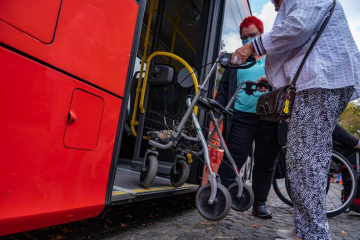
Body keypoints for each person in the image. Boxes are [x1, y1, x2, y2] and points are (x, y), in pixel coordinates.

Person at [231, 0, 360, 240]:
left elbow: (298, 27)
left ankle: (312, 234)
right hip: (321, 82)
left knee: (305, 159)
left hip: (321, 82)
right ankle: (307, 228)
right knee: (306, 158)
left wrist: (252, 47)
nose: (273, 3)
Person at [215, 16, 280, 219]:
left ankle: (259, 203)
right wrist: (219, 109)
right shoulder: (238, 58)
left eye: (252, 36)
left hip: (269, 116)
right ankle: (219, 197)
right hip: (242, 115)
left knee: (266, 160)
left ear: (262, 34)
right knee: (234, 156)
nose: (247, 40)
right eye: (244, 37)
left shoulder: (275, 57)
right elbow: (225, 87)